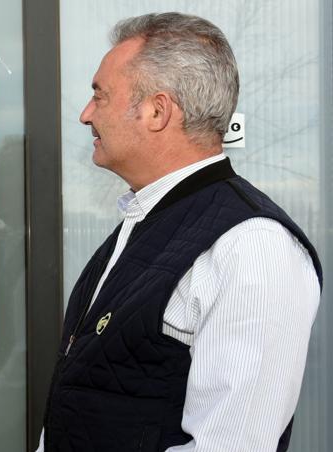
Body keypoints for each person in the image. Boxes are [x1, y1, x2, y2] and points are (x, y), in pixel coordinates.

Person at [38, 12, 322, 452]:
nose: (85, 114)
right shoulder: (143, 221)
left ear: (157, 111)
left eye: (100, 95)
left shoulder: (251, 245)